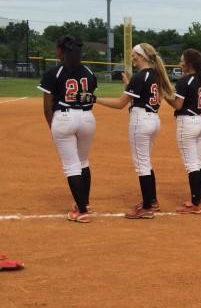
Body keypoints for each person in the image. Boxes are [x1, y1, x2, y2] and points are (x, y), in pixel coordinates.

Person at [95, 42, 174, 218]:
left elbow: (120, 104)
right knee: (145, 162)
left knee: (142, 164)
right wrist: (128, 85)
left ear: (142, 56)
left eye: (134, 55)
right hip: (153, 119)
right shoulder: (155, 75)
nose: (133, 58)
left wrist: (94, 99)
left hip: (141, 120)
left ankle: (147, 207)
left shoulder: (141, 76)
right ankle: (151, 201)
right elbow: (142, 97)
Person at [37, 35, 98, 223]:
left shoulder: (54, 72)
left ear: (60, 51)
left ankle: (81, 211)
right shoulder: (88, 71)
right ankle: (84, 204)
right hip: (87, 117)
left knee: (71, 165)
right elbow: (90, 97)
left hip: (64, 117)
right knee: (83, 161)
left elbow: (47, 107)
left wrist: (52, 126)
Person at [163, 49, 201, 214]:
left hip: (187, 122)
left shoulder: (185, 80)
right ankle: (199, 199)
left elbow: (178, 105)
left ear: (189, 63)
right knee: (198, 162)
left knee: (192, 164)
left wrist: (164, 95)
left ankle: (196, 203)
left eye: (182, 60)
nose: (180, 63)